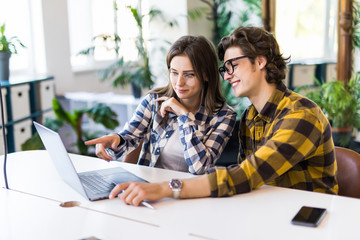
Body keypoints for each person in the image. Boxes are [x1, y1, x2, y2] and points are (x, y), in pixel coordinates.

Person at [106, 26, 338, 206]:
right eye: (224, 69)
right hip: (266, 211)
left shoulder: (301, 114)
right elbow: (246, 182)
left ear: (260, 61)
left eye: (233, 66)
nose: (227, 76)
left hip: (306, 220)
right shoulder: (250, 117)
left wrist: (166, 188)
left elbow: (248, 174)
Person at [85, 35, 237, 175]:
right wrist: (115, 139)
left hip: (191, 195)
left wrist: (184, 116)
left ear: (206, 75)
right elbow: (129, 137)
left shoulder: (223, 116)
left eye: (189, 74)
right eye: (174, 72)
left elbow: (200, 167)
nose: (179, 83)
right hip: (150, 189)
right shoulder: (154, 101)